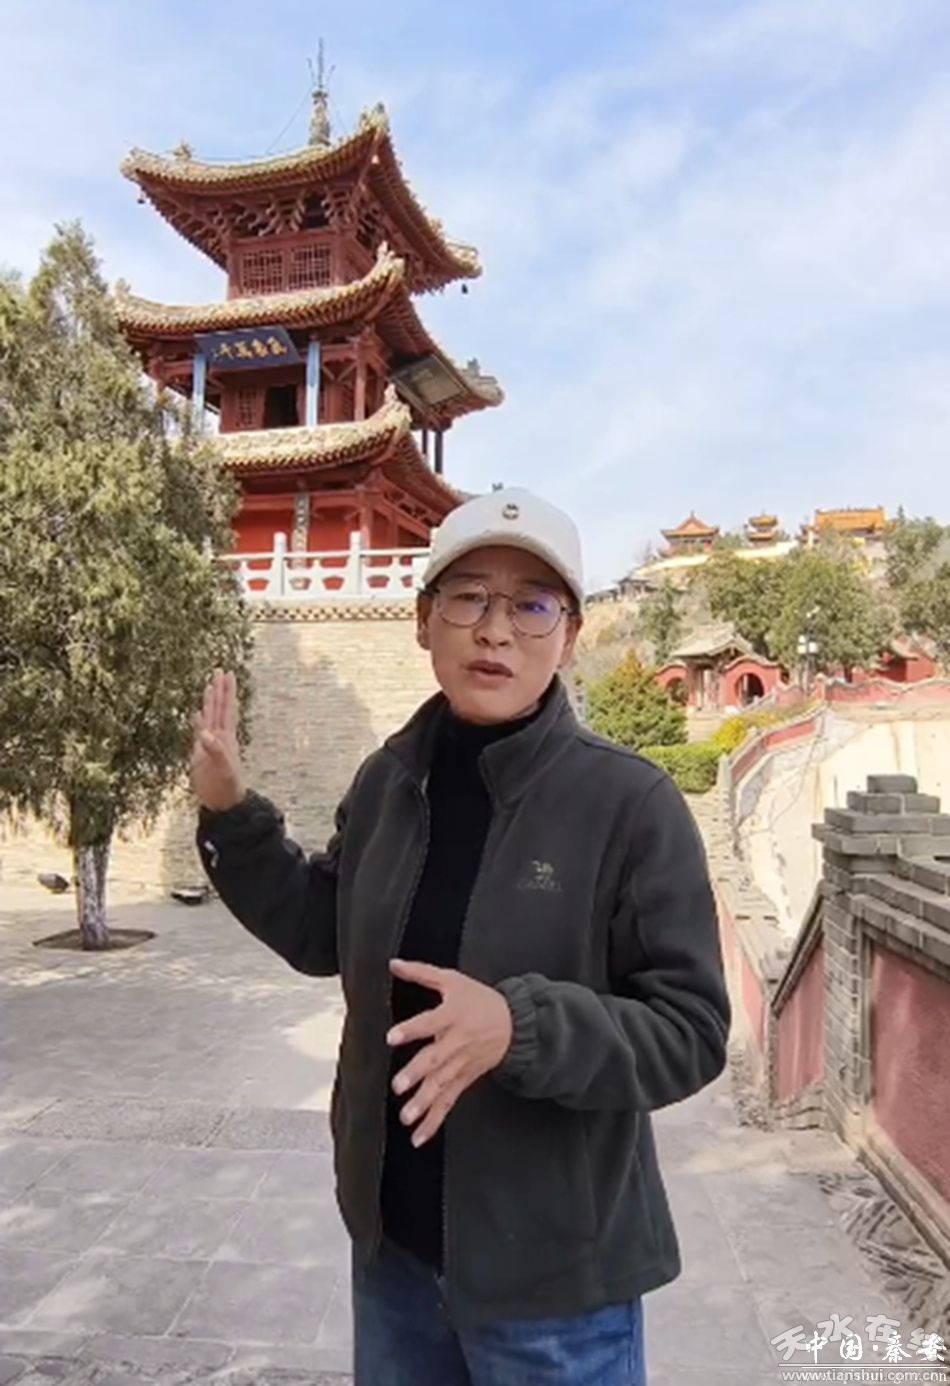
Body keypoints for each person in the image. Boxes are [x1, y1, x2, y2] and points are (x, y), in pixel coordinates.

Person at [191, 487, 731, 1385]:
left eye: (532, 605)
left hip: (555, 1286)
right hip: (394, 1261)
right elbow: (321, 930)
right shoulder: (388, 782)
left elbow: (692, 1030)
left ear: (571, 634)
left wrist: (520, 1027)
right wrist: (230, 814)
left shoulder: (630, 804)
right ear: (422, 620)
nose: (495, 630)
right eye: (468, 597)